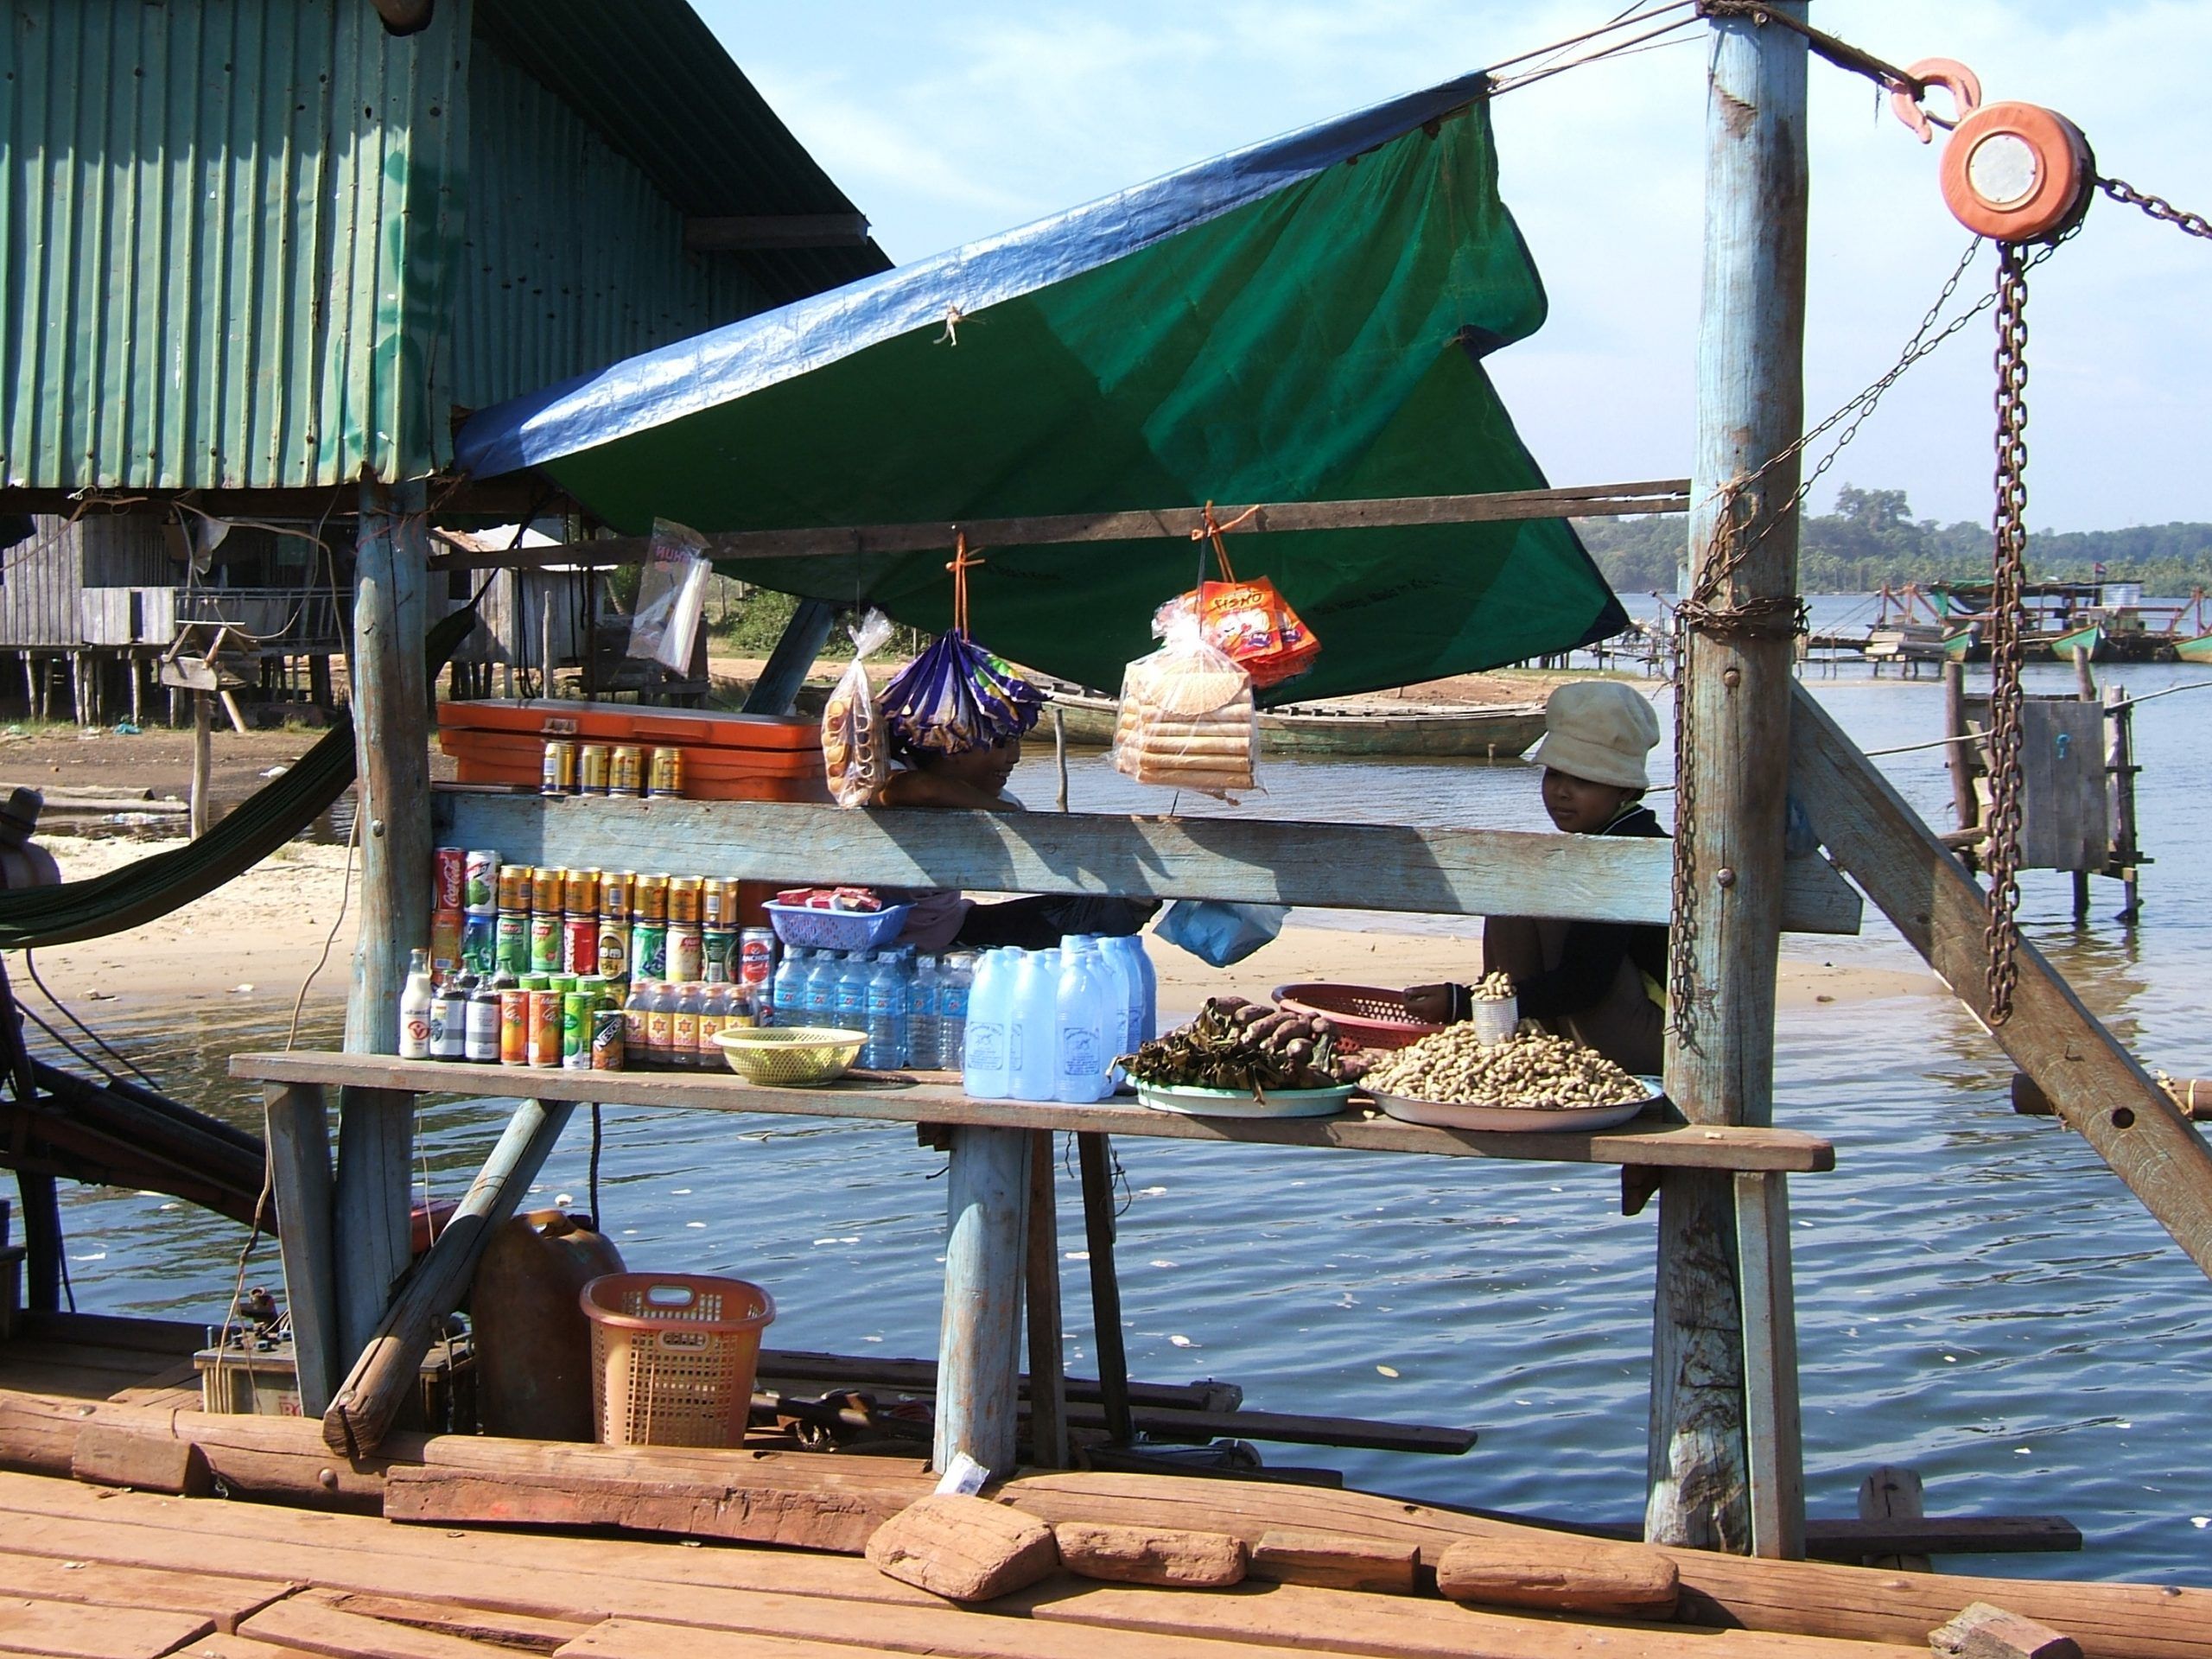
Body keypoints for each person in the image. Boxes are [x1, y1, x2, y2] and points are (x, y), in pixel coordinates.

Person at [1405, 680, 1668, 1076]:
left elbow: (1585, 983)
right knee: (1524, 878)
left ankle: (1506, 1025)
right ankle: (1519, 1034)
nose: (1561, 792)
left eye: (1583, 781)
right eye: (1554, 775)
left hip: (1658, 1038)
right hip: (1617, 1024)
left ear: (1625, 788)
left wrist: (1464, 1004)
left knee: (1526, 884)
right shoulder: (1609, 838)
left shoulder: (1626, 852)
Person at [873, 734, 1156, 951]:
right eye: (999, 743)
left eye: (1015, 742)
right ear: (951, 745)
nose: (1014, 756)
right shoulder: (896, 770)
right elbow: (916, 789)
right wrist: (1000, 810)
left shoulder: (1002, 802)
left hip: (948, 926)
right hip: (872, 928)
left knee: (1106, 908)